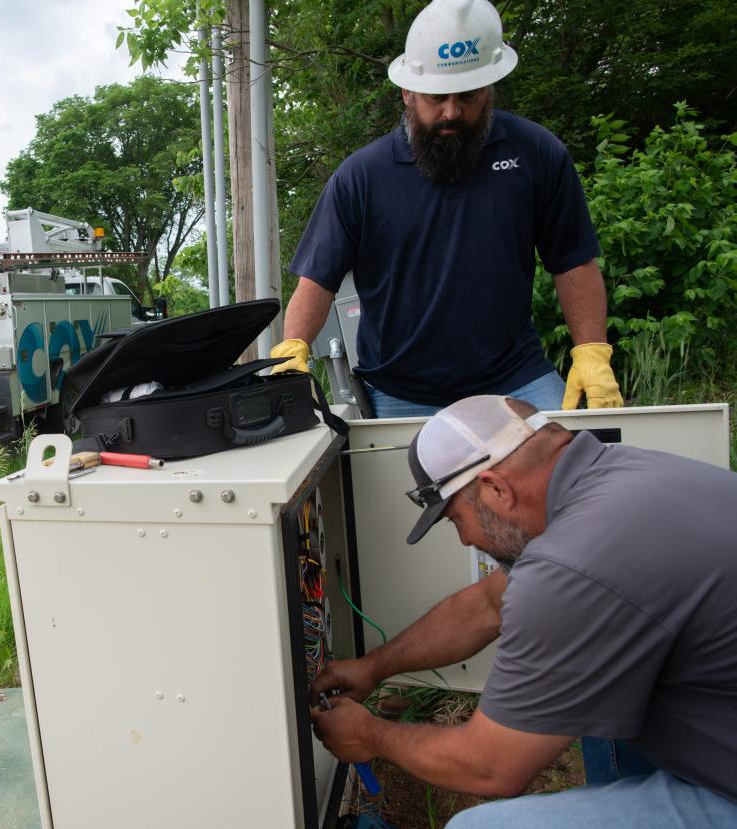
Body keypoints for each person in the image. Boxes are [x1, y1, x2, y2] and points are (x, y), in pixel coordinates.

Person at [309, 395, 737, 826]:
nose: (464, 540)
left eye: (456, 519)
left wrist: (368, 735)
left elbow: (490, 766)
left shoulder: (573, 565)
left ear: (496, 488)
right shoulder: (622, 474)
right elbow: (487, 604)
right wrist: (373, 667)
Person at [270, 0, 623, 417]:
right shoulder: (362, 176)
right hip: (400, 391)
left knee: (570, 466)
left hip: (516, 378)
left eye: (468, 96)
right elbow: (319, 279)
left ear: (489, 89)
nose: (452, 112)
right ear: (407, 92)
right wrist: (295, 348)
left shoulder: (536, 154)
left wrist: (591, 352)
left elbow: (573, 262)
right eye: (437, 98)